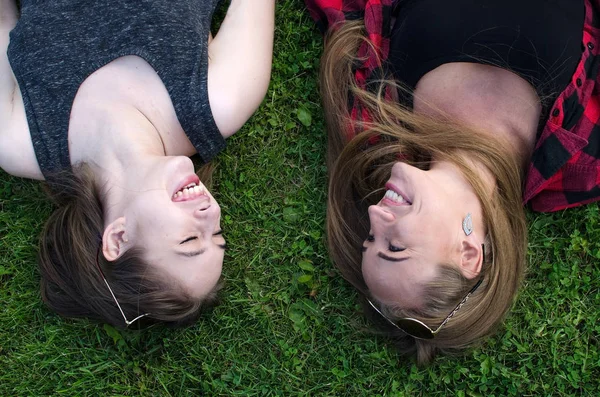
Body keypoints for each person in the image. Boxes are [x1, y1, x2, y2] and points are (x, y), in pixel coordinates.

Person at [306, 0, 596, 363]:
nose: (375, 214)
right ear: (469, 253)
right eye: (395, 247)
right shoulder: (577, 162)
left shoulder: (378, 119)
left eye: (370, 238)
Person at [0, 0, 275, 328]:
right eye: (217, 234)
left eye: (189, 240)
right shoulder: (224, 99)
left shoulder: (17, 140)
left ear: (118, 237)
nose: (212, 213)